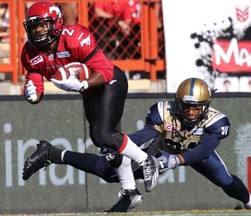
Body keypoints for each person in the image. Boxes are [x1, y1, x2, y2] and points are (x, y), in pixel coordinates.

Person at [23, 77, 251, 212]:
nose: (191, 113)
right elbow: (145, 134)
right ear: (178, 102)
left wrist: (177, 160)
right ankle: (54, 153)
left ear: (205, 107)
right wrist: (118, 145)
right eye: (187, 107)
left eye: (196, 109)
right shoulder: (165, 111)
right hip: (163, 149)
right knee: (109, 171)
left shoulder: (217, 121)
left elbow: (204, 149)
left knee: (225, 181)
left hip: (192, 152)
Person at [21, 0, 160, 212]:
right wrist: (32, 93)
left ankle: (146, 160)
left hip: (109, 81)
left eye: (42, 25)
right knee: (105, 142)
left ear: (56, 23)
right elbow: (35, 83)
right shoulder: (30, 53)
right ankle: (130, 191)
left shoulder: (75, 37)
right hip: (88, 90)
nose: (38, 31)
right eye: (34, 26)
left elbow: (104, 70)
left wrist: (82, 83)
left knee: (103, 134)